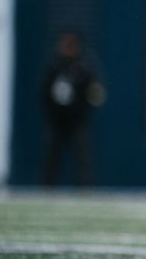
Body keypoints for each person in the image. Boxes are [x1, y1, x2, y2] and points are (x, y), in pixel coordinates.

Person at [41, 31, 104, 186]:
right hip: (57, 120)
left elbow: (95, 91)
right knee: (51, 156)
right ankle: (46, 187)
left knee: (83, 156)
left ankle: (85, 187)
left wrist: (85, 110)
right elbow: (44, 91)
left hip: (78, 120)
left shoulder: (85, 66)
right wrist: (52, 112)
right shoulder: (54, 64)